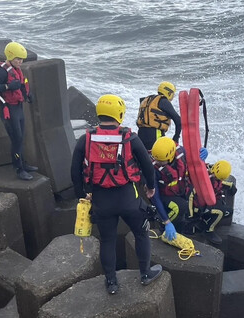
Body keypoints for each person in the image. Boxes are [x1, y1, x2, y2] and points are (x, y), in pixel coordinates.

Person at [71, 94, 174, 294]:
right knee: (141, 233)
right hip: (129, 199)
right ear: (119, 114)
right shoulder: (130, 137)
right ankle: (145, 274)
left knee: (108, 240)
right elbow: (147, 166)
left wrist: (82, 195)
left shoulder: (86, 138)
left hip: (101, 201)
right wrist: (150, 187)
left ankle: (111, 282)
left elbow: (74, 172)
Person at [0, 41, 37, 180]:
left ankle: (23, 164)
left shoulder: (16, 70)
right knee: (16, 139)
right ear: (10, 57)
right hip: (8, 109)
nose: (20, 62)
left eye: (21, 59)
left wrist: (28, 95)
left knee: (21, 138)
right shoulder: (2, 71)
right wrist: (8, 87)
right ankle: (19, 169)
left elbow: (21, 84)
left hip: (18, 107)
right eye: (17, 59)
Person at [189, 160, 237, 245]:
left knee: (229, 212)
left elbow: (219, 184)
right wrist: (190, 215)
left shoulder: (214, 177)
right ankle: (208, 230)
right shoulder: (204, 180)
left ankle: (203, 222)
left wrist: (230, 186)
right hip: (199, 207)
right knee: (220, 212)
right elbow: (191, 195)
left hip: (209, 202)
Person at [136, 81, 181, 150]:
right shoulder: (163, 101)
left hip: (140, 134)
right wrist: (176, 138)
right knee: (159, 157)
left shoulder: (146, 100)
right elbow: (178, 120)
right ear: (169, 93)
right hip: (154, 134)